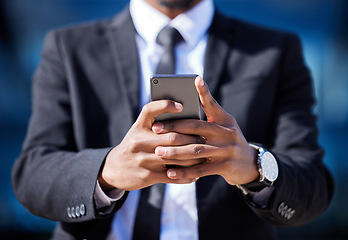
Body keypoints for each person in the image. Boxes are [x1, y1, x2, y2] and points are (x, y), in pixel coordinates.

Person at [12, 0, 334, 239]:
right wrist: (106, 172)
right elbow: (32, 174)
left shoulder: (275, 52)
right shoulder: (69, 49)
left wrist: (254, 166)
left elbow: (314, 186)